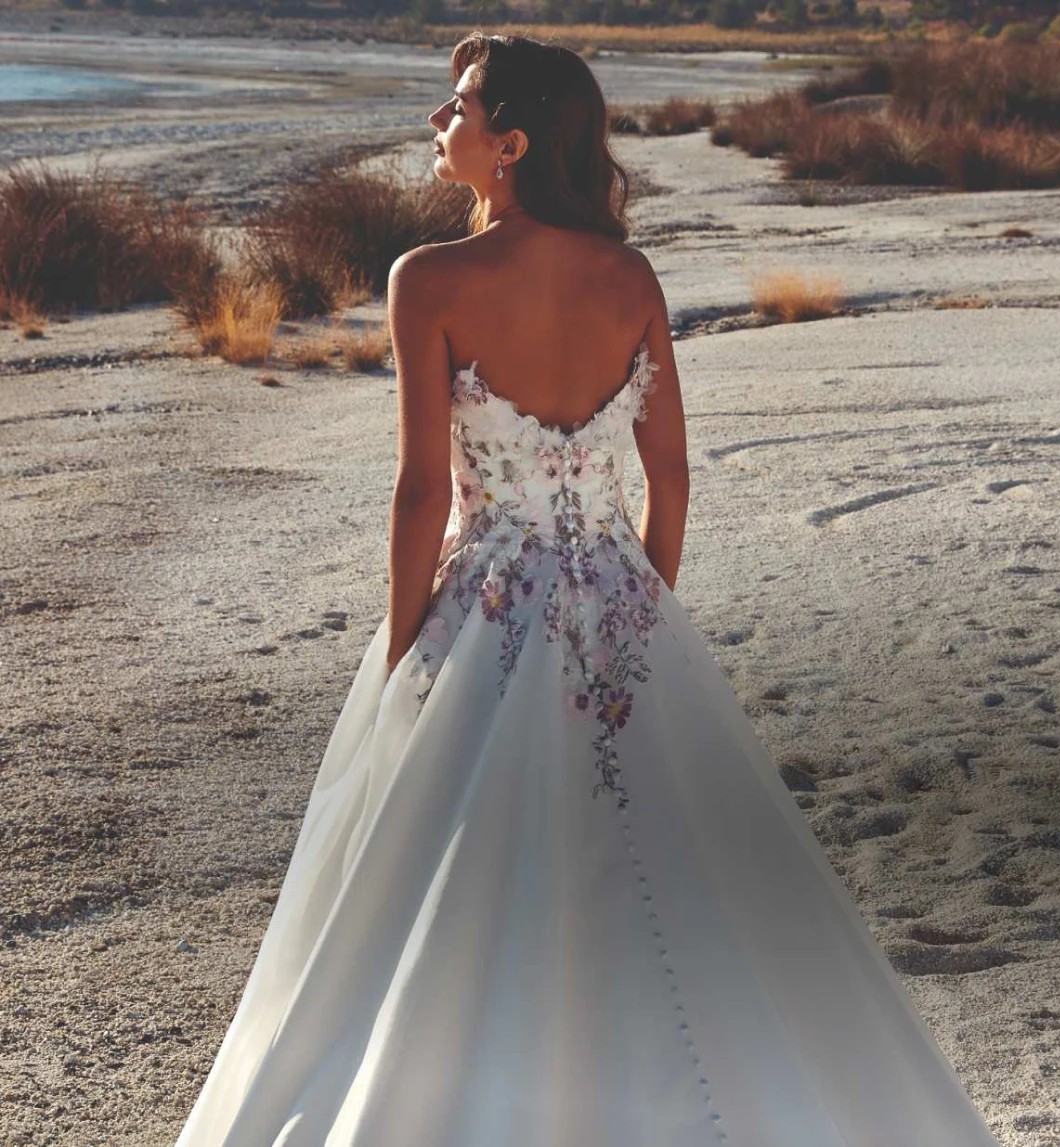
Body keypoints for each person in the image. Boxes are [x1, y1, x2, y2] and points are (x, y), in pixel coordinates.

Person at [173, 34, 1000, 1147]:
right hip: (619, 607)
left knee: (451, 880)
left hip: (488, 609)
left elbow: (423, 493)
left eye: (456, 106)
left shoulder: (428, 279)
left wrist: (407, 642)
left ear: (507, 144)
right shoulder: (629, 278)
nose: (438, 122)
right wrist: (634, 618)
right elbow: (670, 478)